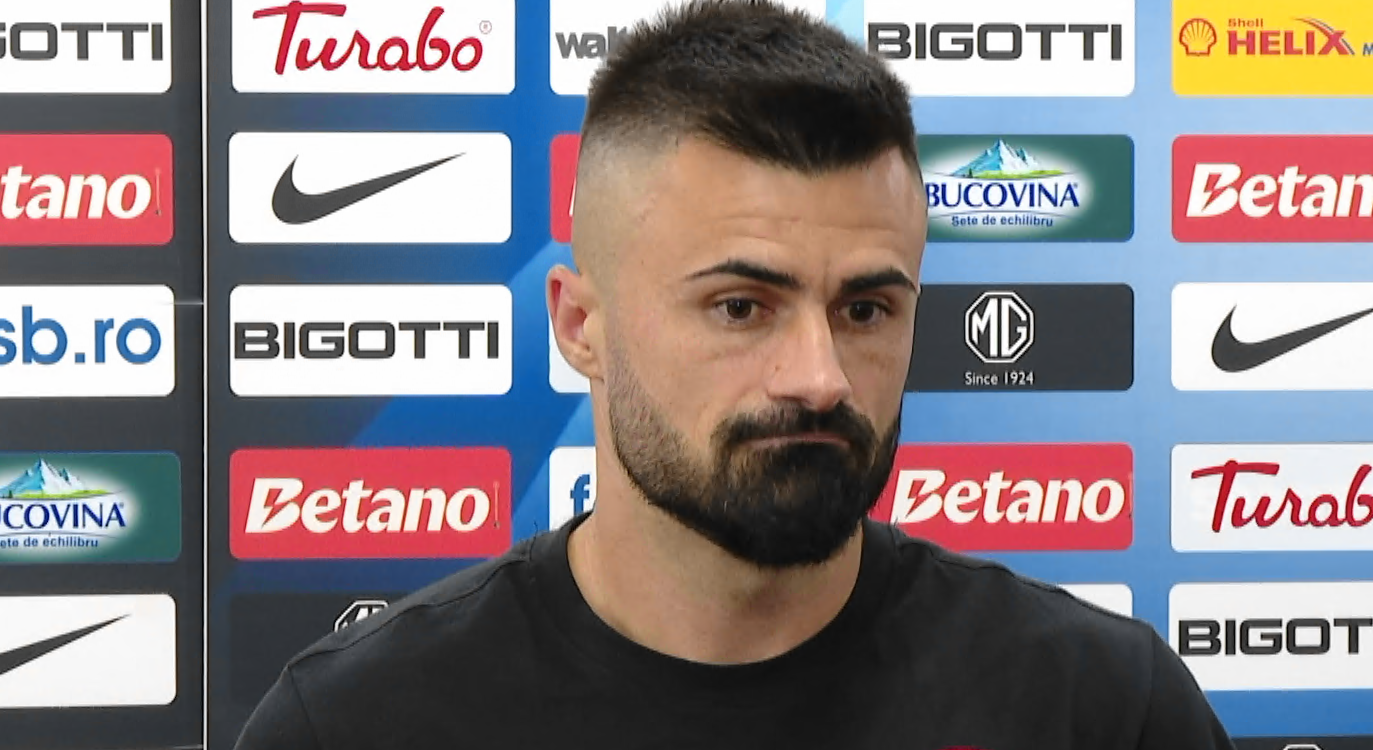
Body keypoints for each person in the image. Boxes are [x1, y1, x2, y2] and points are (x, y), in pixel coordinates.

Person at [234, 1, 1238, 748]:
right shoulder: (354, 725)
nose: (819, 378)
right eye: (739, 306)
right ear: (580, 326)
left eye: (864, 310)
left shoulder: (1103, 708)